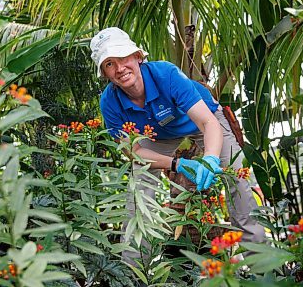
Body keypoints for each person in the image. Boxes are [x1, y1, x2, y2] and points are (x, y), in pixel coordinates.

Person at [90, 27, 265, 263]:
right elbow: (134, 152)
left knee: (238, 178)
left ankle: (263, 268)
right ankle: (133, 272)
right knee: (139, 187)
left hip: (204, 120)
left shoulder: (166, 75)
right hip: (158, 135)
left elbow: (207, 123)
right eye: (110, 63)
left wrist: (211, 160)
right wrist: (177, 164)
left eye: (123, 57)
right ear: (104, 73)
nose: (120, 68)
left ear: (138, 57)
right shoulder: (110, 103)